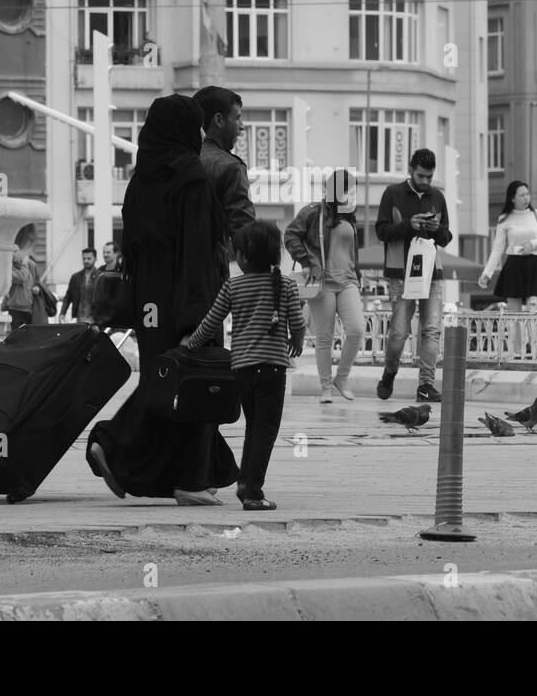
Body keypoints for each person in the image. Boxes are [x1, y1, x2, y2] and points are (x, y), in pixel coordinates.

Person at [86, 94, 240, 505]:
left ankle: (170, 469)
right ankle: (173, 471)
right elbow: (196, 250)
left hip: (148, 301)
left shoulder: (141, 181)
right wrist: (199, 313)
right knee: (197, 378)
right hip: (187, 297)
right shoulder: (190, 178)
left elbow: (133, 249)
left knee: (164, 378)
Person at [183, 221, 305, 511]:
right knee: (266, 430)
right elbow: (298, 323)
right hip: (273, 369)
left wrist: (190, 345)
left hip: (242, 370)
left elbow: (211, 322)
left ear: (244, 257)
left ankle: (245, 481)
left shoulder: (233, 285)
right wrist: (296, 342)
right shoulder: (286, 284)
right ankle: (251, 490)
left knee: (254, 426)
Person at [374, 149, 453, 403]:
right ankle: (389, 373)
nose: (426, 182)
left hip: (432, 272)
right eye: (421, 176)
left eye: (430, 177)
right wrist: (410, 225)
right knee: (399, 332)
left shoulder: (438, 197)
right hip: (401, 273)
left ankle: (426, 385)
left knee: (431, 329)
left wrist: (435, 228)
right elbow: (381, 231)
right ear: (410, 170)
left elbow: (446, 237)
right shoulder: (392, 193)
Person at [284, 168, 364, 403]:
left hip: (348, 280)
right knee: (325, 337)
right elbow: (290, 235)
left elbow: (349, 251)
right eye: (348, 190)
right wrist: (307, 262)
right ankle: (326, 387)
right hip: (323, 283)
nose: (352, 195)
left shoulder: (349, 215)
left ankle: (342, 378)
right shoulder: (313, 212)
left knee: (357, 329)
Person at [192, 85, 255, 280]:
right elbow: (244, 232)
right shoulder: (230, 167)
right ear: (218, 120)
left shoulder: (168, 162)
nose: (242, 126)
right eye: (237, 118)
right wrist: (261, 278)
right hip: (206, 276)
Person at [479, 180, 537, 313]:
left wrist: (532, 244)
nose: (526, 198)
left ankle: (534, 335)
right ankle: (515, 335)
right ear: (512, 199)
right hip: (513, 266)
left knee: (534, 309)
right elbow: (498, 249)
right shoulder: (504, 218)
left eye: (527, 194)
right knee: (514, 315)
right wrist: (487, 273)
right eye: (522, 195)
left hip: (533, 264)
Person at [3, 226, 48, 329]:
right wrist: (24, 263)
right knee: (17, 334)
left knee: (30, 334)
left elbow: (37, 280)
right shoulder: (9, 268)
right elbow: (21, 278)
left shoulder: (31, 264)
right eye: (12, 253)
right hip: (15, 308)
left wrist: (37, 287)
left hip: (30, 307)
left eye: (16, 252)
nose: (15, 255)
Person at [61, 247, 100, 323]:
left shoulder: (100, 276)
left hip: (95, 319)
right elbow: (68, 297)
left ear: (95, 259)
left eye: (89, 258)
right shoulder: (75, 277)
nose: (86, 261)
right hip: (78, 318)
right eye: (84, 258)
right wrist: (62, 313)